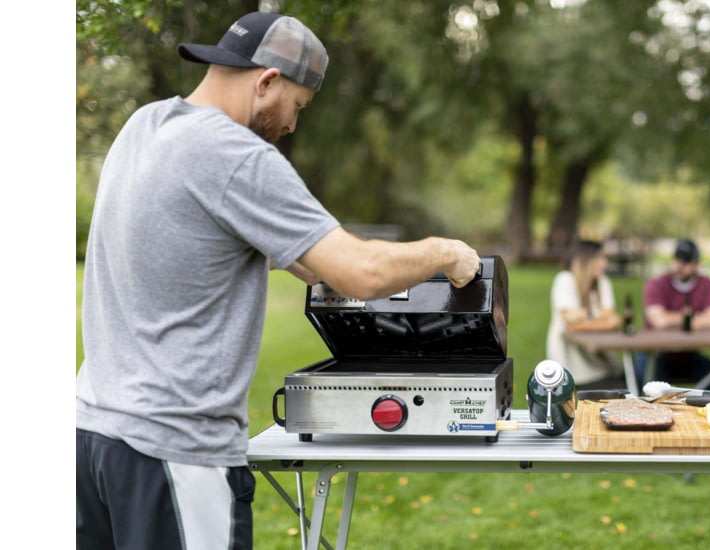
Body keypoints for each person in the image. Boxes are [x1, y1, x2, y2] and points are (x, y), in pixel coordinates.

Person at [75, 12, 481, 550]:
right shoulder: (234, 156)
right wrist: (446, 252)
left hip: (92, 438)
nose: (292, 126)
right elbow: (361, 274)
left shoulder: (145, 127)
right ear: (267, 81)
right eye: (298, 106)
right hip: (172, 451)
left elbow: (305, 263)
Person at [638, 238, 710, 385]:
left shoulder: (706, 284)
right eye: (677, 260)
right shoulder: (656, 284)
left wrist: (673, 318)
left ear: (696, 264)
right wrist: (692, 318)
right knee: (647, 385)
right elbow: (659, 321)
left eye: (686, 262)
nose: (679, 266)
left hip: (688, 354)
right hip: (657, 353)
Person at [546, 240, 623, 388]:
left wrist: (584, 318)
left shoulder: (603, 282)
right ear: (585, 260)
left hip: (603, 364)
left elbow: (613, 320)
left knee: (633, 381)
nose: (604, 263)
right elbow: (571, 323)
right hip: (571, 370)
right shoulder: (565, 279)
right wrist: (600, 320)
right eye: (600, 258)